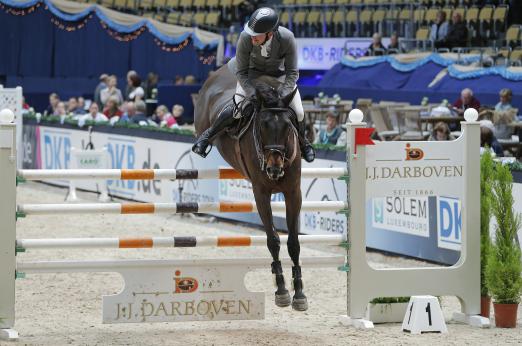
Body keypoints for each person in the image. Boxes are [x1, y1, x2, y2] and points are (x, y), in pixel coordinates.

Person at [192, 7, 315, 162]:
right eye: (251, 34)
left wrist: (284, 94)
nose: (252, 38)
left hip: (279, 77)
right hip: (251, 75)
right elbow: (241, 72)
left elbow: (292, 73)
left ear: (270, 33)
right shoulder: (245, 37)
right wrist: (251, 93)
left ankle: (304, 144)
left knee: (299, 112)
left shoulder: (287, 38)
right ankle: (207, 136)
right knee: (237, 108)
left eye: (256, 35)